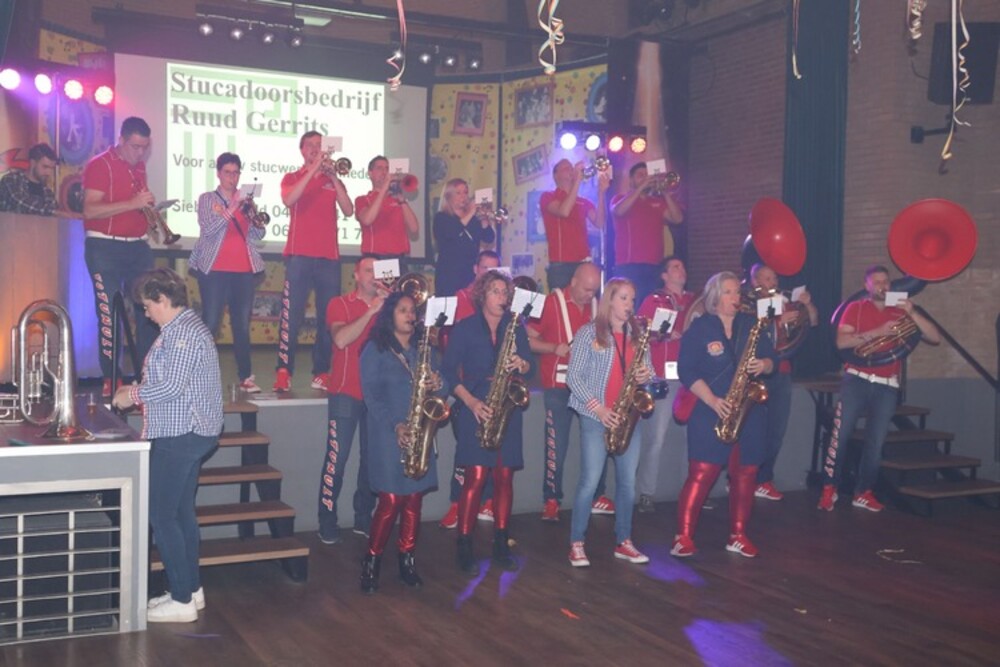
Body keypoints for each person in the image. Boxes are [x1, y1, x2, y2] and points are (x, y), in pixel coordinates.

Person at [111, 268, 223, 623]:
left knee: (161, 514)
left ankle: (181, 599)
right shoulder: (182, 329)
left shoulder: (182, 333)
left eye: (147, 306)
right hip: (188, 432)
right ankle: (190, 589)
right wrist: (139, 388)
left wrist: (131, 395)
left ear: (162, 299)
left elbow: (172, 387)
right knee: (180, 512)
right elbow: (172, 381)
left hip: (182, 434)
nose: (146, 314)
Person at [819, 265, 940, 512]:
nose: (883, 286)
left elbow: (934, 337)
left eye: (886, 281)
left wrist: (912, 312)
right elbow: (841, 342)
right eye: (877, 282)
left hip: (887, 384)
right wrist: (878, 333)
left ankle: (864, 492)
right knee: (840, 436)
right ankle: (829, 488)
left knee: (876, 442)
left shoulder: (900, 310)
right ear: (867, 285)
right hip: (857, 378)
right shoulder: (855, 308)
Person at [672, 271, 776, 559]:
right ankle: (683, 536)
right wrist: (712, 400)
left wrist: (764, 364)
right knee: (702, 473)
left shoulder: (750, 324)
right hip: (710, 408)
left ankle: (738, 535)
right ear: (715, 297)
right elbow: (686, 370)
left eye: (736, 292)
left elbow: (773, 360)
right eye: (728, 292)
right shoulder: (700, 328)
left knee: (747, 472)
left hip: (748, 411)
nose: (735, 297)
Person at [442, 269, 535, 574]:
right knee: (476, 476)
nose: (502, 296)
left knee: (505, 476)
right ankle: (464, 545)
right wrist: (470, 402)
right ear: (482, 295)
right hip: (476, 404)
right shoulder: (465, 328)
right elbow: (447, 372)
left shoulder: (515, 327)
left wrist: (522, 364)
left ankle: (501, 543)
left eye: (505, 292)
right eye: (496, 291)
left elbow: (530, 367)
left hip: (507, 404)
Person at [358, 291, 448, 594]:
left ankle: (407, 559)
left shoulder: (425, 349)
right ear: (389, 315)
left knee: (413, 500)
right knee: (391, 501)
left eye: (413, 311)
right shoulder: (375, 349)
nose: (410, 315)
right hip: (388, 434)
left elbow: (443, 385)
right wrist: (395, 425)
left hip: (419, 432)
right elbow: (371, 396)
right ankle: (371, 561)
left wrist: (439, 383)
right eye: (403, 310)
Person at [565, 278, 653, 567]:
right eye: (624, 298)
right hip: (596, 416)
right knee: (590, 481)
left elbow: (650, 371)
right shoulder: (588, 333)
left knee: (627, 483)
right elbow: (573, 377)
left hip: (627, 416)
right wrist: (599, 409)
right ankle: (577, 542)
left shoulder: (638, 335)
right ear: (610, 301)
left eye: (632, 299)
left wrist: (645, 375)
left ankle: (624, 540)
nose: (629, 304)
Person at [527, 262, 615, 522]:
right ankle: (551, 499)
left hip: (590, 386)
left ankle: (598, 495)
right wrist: (553, 348)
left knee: (599, 440)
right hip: (558, 385)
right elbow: (527, 339)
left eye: (594, 290)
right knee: (557, 444)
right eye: (586, 289)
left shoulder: (598, 307)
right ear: (573, 281)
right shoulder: (550, 303)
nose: (590, 295)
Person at [82, 117, 158, 398]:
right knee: (110, 312)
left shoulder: (139, 167)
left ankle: (146, 375)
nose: (140, 153)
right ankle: (111, 377)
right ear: (121, 140)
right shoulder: (100, 165)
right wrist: (133, 203)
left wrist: (149, 213)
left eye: (145, 147)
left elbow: (134, 207)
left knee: (150, 310)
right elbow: (90, 210)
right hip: (105, 247)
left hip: (137, 247)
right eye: (135, 146)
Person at [273, 131, 353, 393]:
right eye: (311, 145)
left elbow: (348, 210)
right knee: (291, 316)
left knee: (327, 318)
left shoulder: (332, 178)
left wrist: (333, 178)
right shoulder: (292, 177)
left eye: (320, 146)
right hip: (299, 257)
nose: (316, 149)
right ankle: (283, 370)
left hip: (329, 259)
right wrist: (314, 170)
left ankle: (321, 371)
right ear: (302, 150)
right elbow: (289, 199)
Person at [317, 257, 383, 544]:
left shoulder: (387, 308)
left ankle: (363, 517)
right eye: (368, 271)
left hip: (377, 395)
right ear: (356, 275)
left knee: (372, 460)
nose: (373, 276)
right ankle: (326, 519)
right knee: (337, 460)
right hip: (345, 392)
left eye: (378, 271)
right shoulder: (339, 304)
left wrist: (392, 307)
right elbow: (341, 339)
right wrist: (371, 311)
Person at [189, 152, 265, 394]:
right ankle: (196, 373)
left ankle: (246, 376)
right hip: (214, 269)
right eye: (228, 172)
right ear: (219, 173)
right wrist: (231, 208)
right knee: (211, 322)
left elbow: (258, 235)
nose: (232, 177)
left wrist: (254, 217)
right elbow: (208, 229)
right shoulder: (207, 199)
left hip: (243, 270)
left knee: (241, 325)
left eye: (236, 173)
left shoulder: (246, 203)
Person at [438, 250, 500, 529]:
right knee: (466, 449)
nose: (488, 273)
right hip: (465, 384)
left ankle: (487, 500)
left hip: (493, 384)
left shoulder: (502, 301)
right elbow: (448, 338)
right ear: (475, 269)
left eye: (494, 269)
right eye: (485, 268)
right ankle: (457, 503)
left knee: (493, 445)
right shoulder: (460, 298)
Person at [748, 263, 818, 500]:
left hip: (782, 370)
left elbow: (813, 321)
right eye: (767, 278)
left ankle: (764, 479)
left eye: (775, 278)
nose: (773, 282)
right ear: (755, 281)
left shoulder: (783, 301)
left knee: (776, 430)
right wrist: (778, 321)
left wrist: (807, 305)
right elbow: (752, 332)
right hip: (758, 370)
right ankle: (741, 477)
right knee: (752, 428)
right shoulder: (749, 304)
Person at [635, 256, 697, 513]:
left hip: (691, 378)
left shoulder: (695, 301)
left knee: (692, 438)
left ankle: (692, 491)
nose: (681, 269)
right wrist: (662, 335)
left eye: (682, 266)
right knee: (656, 438)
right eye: (675, 267)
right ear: (664, 275)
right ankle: (646, 493)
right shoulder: (654, 300)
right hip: (663, 376)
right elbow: (638, 333)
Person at [610, 162, 684, 305]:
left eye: (647, 175)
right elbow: (618, 211)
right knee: (631, 306)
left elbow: (678, 219)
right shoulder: (620, 198)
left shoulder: (657, 202)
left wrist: (666, 193)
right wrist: (641, 188)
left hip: (655, 265)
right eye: (640, 175)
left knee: (652, 306)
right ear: (631, 181)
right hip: (629, 265)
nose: (645, 178)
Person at [540, 159, 608, 291]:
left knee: (587, 302)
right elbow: (564, 211)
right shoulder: (548, 196)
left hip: (583, 263)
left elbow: (600, 222)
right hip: (561, 265)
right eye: (566, 168)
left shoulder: (583, 201)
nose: (571, 171)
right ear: (556, 176)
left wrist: (601, 193)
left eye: (572, 168)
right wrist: (577, 181)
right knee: (561, 303)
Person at [432, 178, 496, 296]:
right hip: (448, 275)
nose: (463, 196)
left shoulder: (473, 219)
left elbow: (489, 238)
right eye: (458, 193)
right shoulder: (441, 218)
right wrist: (471, 212)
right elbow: (452, 233)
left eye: (465, 192)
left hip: (470, 275)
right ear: (449, 196)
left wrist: (484, 221)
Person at [355, 155, 419, 259]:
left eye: (387, 168)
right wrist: (385, 187)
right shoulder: (363, 200)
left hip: (400, 256)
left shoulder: (398, 199)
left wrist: (402, 200)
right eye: (379, 168)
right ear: (370, 173)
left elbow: (414, 228)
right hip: (376, 256)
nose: (384, 172)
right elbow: (367, 220)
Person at [0, 142, 70, 216]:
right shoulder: (12, 179)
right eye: (45, 167)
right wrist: (53, 212)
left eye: (51, 168)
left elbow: (53, 213)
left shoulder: (48, 192)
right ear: (33, 163)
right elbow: (19, 202)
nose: (49, 173)